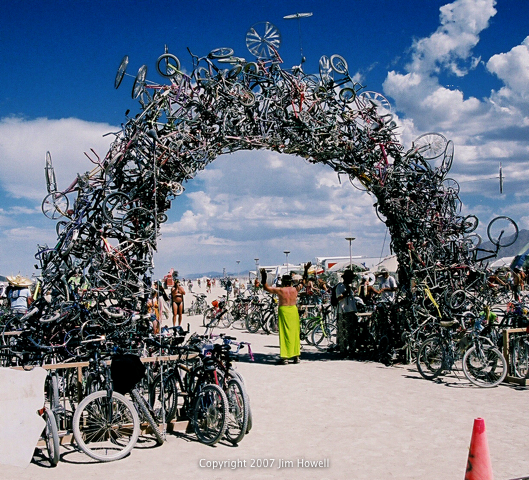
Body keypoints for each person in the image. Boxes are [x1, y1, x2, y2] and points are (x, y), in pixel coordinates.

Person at [259, 267, 303, 365]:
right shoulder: (295, 289)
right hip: (293, 310)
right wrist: (305, 271)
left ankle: (285, 357)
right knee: (295, 333)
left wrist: (264, 277)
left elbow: (266, 288)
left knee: (284, 333)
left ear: (283, 282)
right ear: (291, 282)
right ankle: (296, 356)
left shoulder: (280, 290)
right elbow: (303, 282)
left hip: (284, 310)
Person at [335, 269, 358, 357]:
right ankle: (343, 350)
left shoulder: (350, 287)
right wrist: (346, 292)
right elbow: (338, 297)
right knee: (344, 332)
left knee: (352, 332)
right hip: (344, 312)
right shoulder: (340, 286)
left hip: (351, 311)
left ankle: (352, 349)